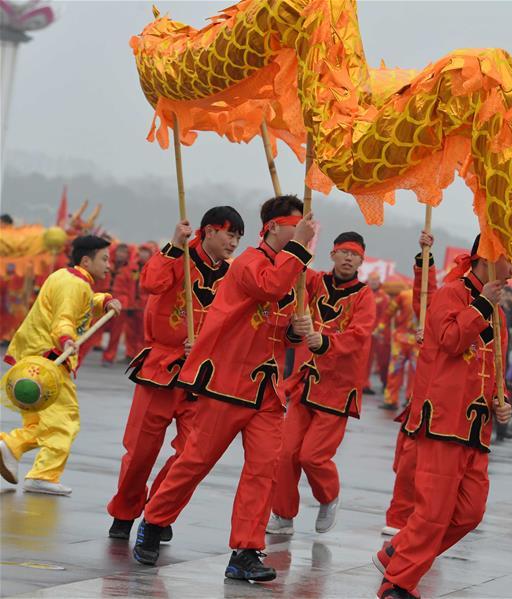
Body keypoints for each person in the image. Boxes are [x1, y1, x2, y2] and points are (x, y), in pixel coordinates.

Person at [132, 195, 316, 583]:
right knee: (195, 462)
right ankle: (154, 519)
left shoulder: (292, 270)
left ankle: (245, 551)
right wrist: (299, 247)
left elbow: (275, 323)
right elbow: (267, 288)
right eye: (294, 226)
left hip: (266, 390)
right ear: (273, 227)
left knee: (264, 470)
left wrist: (293, 333)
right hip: (227, 382)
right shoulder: (250, 263)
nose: (301, 232)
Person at [373, 235, 512, 599]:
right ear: (486, 259)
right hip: (443, 423)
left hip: (477, 429)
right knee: (433, 513)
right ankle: (398, 584)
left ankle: (396, 554)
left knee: (469, 513)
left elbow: (497, 371)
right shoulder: (451, 294)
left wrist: (504, 403)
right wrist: (482, 304)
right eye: (510, 261)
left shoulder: (498, 314)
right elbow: (451, 340)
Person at [106, 207, 243, 540]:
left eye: (239, 237)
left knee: (190, 455)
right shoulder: (177, 257)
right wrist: (172, 245)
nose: (234, 243)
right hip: (160, 369)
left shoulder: (233, 275)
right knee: (140, 451)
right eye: (230, 234)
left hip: (202, 377)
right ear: (209, 230)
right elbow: (151, 283)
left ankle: (158, 512)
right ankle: (125, 511)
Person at [267, 232, 376, 536]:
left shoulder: (365, 296)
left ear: (362, 260)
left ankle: (329, 497)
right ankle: (283, 514)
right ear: (332, 254)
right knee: (286, 452)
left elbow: (359, 335)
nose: (347, 258)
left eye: (354, 254)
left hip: (337, 389)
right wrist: (299, 239)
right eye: (342, 252)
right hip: (305, 382)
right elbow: (294, 270)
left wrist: (324, 341)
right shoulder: (314, 282)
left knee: (312, 455)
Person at [0, 236, 121, 495]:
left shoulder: (68, 278)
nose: (108, 265)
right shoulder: (75, 285)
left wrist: (104, 301)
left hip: (32, 359)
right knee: (65, 420)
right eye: (104, 259)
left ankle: (13, 449)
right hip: (49, 361)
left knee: (38, 421)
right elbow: (64, 318)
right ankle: (40, 472)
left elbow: (83, 304)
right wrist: (66, 341)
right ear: (86, 260)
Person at [382, 231, 436, 537]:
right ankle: (400, 516)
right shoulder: (416, 299)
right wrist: (425, 260)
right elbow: (426, 299)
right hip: (411, 344)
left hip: (455, 404)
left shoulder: (494, 315)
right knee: (408, 459)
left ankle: (424, 518)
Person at [380, 289, 417, 411]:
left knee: (396, 370)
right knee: (414, 372)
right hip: (415, 340)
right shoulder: (431, 296)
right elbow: (390, 311)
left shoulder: (404, 294)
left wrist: (382, 325)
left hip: (405, 339)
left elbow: (389, 312)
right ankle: (410, 400)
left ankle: (392, 400)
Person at [368, 272, 392, 394]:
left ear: (379, 281)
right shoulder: (364, 292)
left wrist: (379, 330)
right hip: (366, 331)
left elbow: (385, 316)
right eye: (371, 280)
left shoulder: (384, 297)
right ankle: (364, 384)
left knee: (384, 360)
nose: (373, 282)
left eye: (375, 280)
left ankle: (385, 382)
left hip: (380, 332)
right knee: (365, 359)